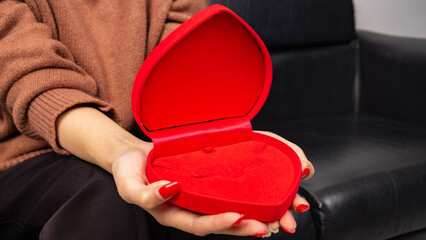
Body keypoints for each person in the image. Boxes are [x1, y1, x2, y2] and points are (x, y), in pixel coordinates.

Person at [0, 0, 315, 239]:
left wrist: (228, 145)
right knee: (108, 199)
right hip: (25, 156)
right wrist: (121, 150)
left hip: (140, 138)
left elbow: (184, 63)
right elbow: (30, 75)